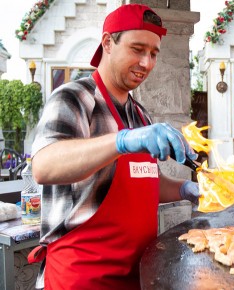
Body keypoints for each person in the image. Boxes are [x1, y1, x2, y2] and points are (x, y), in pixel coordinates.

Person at [27, 4, 200, 290]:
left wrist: (185, 189)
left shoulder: (139, 114)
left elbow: (145, 182)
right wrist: (122, 141)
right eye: (137, 49)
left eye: (154, 53)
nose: (146, 63)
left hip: (136, 276)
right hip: (81, 277)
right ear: (108, 42)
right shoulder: (74, 98)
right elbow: (44, 166)